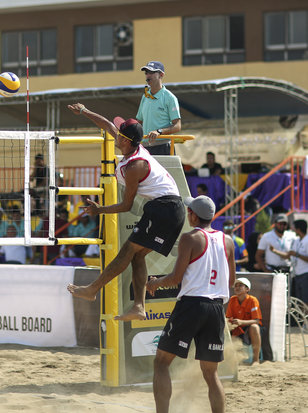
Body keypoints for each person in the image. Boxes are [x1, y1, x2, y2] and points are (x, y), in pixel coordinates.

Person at [65, 105, 185, 321]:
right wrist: (84, 111)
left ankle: (93, 289)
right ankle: (138, 307)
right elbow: (107, 124)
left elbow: (126, 205)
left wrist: (98, 210)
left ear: (126, 140)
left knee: (127, 251)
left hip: (165, 208)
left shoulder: (134, 166)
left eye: (119, 134)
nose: (115, 134)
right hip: (168, 208)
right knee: (137, 256)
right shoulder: (132, 148)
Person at [146, 195, 235, 413]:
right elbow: (231, 282)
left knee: (161, 363)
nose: (187, 213)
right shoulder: (228, 241)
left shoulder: (190, 238)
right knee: (211, 373)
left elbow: (176, 278)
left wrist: (155, 283)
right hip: (216, 308)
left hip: (192, 305)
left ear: (194, 215)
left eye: (189, 211)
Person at [136, 60, 181, 155]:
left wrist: (159, 131)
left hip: (163, 146)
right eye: (146, 73)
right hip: (145, 147)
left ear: (161, 75)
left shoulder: (170, 98)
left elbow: (177, 126)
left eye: (151, 72)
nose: (148, 75)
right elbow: (139, 122)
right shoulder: (145, 96)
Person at [226, 277, 263, 365]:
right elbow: (228, 317)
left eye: (240, 285)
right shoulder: (232, 299)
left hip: (249, 327)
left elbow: (256, 321)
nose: (237, 288)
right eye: (236, 286)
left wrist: (242, 322)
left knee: (254, 327)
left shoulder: (253, 300)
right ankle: (232, 361)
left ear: (247, 289)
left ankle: (256, 360)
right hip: (237, 327)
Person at [270, 219, 308, 303]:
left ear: (298, 229)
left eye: (294, 227)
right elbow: (288, 255)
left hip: (305, 274)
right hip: (297, 274)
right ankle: (302, 316)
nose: (292, 229)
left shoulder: (307, 240)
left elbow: (295, 254)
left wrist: (297, 255)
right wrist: (274, 251)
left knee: (306, 300)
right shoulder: (297, 241)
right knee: (300, 301)